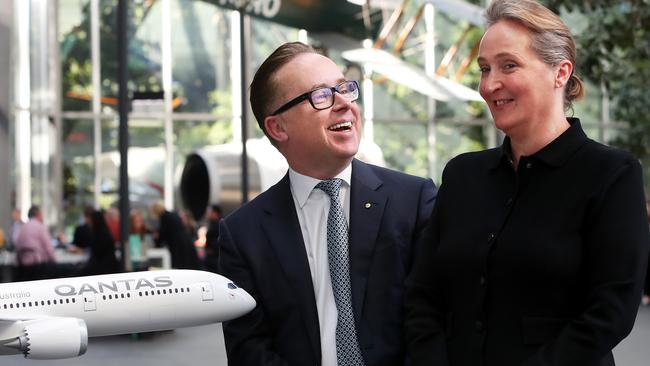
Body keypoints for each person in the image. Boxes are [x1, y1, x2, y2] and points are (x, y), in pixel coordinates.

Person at [404, 1, 650, 366]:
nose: (489, 85)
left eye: (509, 65)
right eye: (484, 69)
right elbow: (422, 296)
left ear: (560, 72)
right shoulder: (462, 175)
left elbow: (610, 311)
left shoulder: (611, 173)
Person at [218, 42, 437, 366]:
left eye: (345, 89)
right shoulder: (243, 233)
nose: (344, 104)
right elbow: (249, 349)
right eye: (321, 96)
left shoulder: (413, 200)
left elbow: (432, 322)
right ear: (278, 127)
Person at [150, 202, 200, 270]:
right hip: (185, 243)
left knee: (181, 268)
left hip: (178, 246)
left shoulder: (165, 217)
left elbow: (162, 234)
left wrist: (156, 243)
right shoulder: (172, 214)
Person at [14, 205, 57, 281]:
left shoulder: (22, 227)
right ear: (39, 214)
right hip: (38, 266)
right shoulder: (41, 227)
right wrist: (55, 262)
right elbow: (49, 248)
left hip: (23, 268)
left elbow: (17, 246)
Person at [78, 210, 119, 276]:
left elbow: (97, 254)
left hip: (103, 270)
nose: (89, 222)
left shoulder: (101, 235)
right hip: (104, 268)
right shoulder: (101, 233)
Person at [203, 204, 222, 273]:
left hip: (214, 260)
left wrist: (211, 250)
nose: (207, 214)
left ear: (215, 213)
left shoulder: (218, 225)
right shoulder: (214, 224)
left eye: (209, 212)